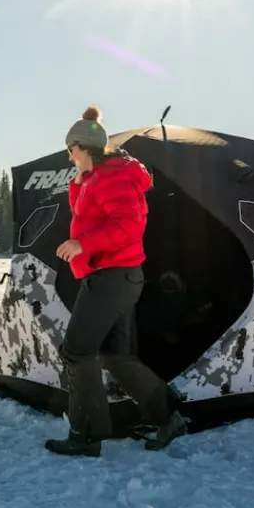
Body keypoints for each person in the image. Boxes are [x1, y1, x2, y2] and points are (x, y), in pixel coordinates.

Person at [45, 105, 188, 457]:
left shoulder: (114, 176)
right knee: (114, 355)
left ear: (83, 146)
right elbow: (89, 214)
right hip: (111, 275)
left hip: (112, 277)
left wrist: (82, 243)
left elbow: (128, 226)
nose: (68, 156)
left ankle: (85, 436)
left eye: (71, 149)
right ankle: (169, 417)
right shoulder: (96, 176)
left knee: (77, 351)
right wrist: (79, 181)